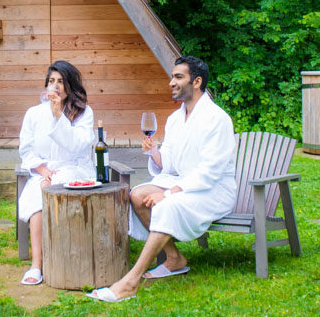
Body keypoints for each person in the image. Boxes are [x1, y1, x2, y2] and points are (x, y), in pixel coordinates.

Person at [86, 56, 236, 302]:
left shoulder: (217, 119)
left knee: (164, 204)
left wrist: (169, 192)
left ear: (197, 82)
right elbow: (171, 162)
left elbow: (211, 171)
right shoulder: (176, 118)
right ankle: (174, 258)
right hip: (184, 181)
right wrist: (155, 153)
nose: (171, 82)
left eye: (178, 77)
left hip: (213, 190)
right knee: (137, 195)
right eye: (172, 76)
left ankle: (130, 282)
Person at [17, 60, 96, 286]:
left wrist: (59, 114)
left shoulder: (82, 112)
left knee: (53, 187)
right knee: (37, 199)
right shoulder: (33, 114)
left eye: (61, 81)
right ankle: (37, 265)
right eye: (51, 81)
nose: (56, 86)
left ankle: (67, 256)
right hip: (43, 171)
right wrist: (42, 169)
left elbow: (78, 146)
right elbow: (27, 149)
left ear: (70, 85)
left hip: (73, 168)